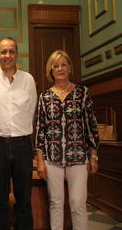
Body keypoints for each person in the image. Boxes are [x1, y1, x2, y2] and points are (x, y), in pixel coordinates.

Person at [35, 50, 99, 230]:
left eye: (64, 64)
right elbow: (41, 130)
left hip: (79, 156)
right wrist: (40, 161)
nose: (60, 68)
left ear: (70, 68)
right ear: (50, 71)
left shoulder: (82, 93)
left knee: (77, 203)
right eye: (55, 66)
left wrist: (93, 156)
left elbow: (91, 126)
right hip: (52, 157)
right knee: (56, 203)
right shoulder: (45, 97)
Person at [0, 37, 37, 230]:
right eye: (3, 52)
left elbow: (31, 112)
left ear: (17, 55)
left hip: (23, 146)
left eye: (11, 51)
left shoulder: (28, 80)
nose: (7, 55)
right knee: (0, 199)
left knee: (24, 199)